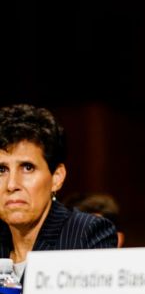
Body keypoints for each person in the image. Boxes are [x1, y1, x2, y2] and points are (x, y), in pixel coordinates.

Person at [0, 104, 117, 281]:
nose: (12, 185)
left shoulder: (87, 235)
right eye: (1, 170)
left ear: (57, 177)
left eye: (27, 167)